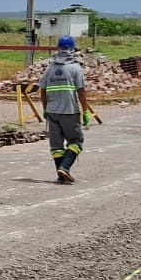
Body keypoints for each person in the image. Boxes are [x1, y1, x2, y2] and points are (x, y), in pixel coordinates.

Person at [40, 35, 91, 183]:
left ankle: (60, 174)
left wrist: (45, 108)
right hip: (69, 111)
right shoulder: (75, 68)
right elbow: (81, 91)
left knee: (56, 146)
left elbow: (42, 90)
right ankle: (65, 167)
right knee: (76, 141)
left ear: (58, 48)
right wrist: (85, 111)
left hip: (52, 111)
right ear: (72, 49)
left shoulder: (50, 68)